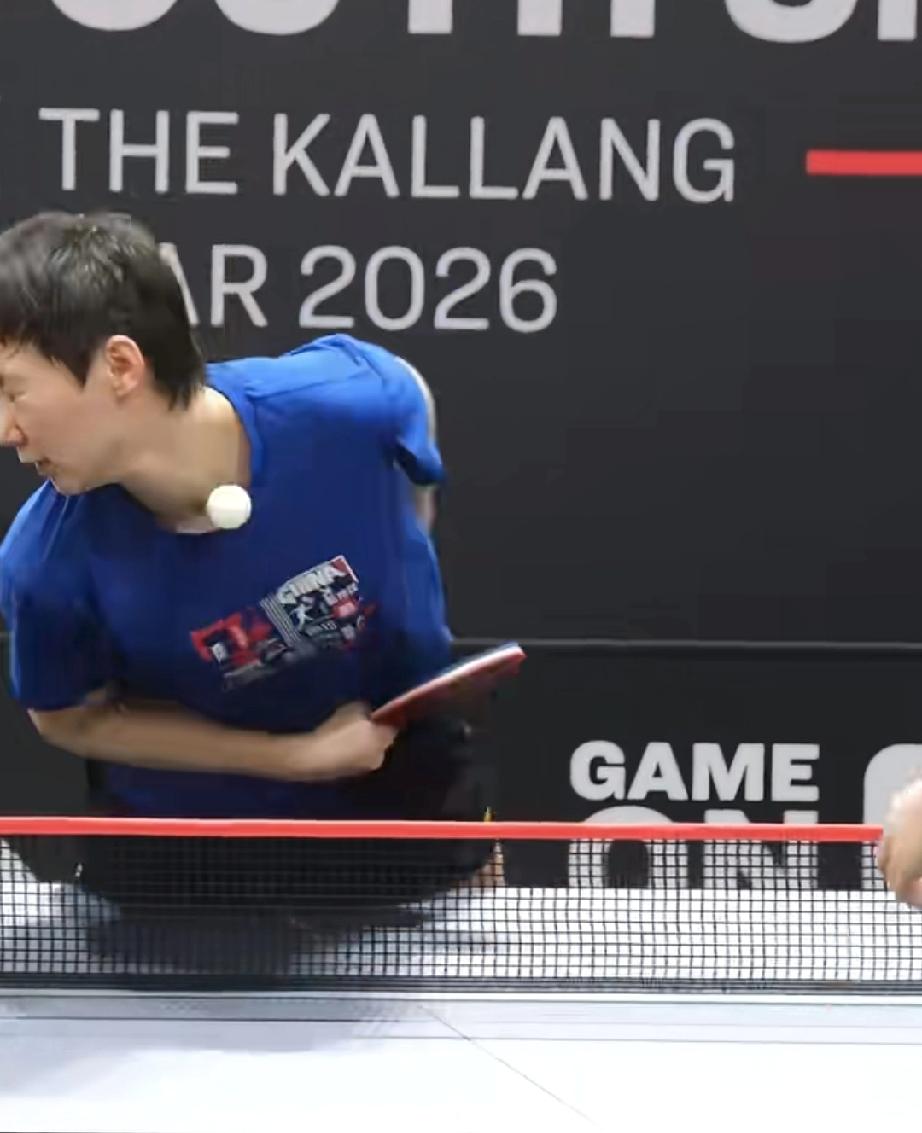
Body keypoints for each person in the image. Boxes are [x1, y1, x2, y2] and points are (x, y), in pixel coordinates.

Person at [0, 210, 499, 913]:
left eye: (12, 390)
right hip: (188, 849)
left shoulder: (347, 407)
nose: (6, 429)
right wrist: (294, 757)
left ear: (120, 366)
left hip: (399, 792)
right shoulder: (46, 564)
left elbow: (408, 393)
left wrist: (406, 557)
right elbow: (69, 719)